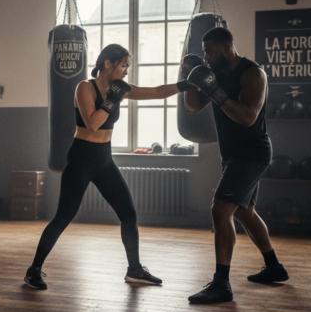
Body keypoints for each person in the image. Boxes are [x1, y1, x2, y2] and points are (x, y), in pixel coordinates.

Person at [24, 44, 195, 290]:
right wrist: (113, 99)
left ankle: (134, 270)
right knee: (63, 217)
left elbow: (156, 91)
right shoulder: (85, 87)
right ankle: (34, 270)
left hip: (104, 159)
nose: (126, 71)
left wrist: (186, 84)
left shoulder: (121, 89)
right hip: (81, 158)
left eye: (127, 66)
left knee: (128, 213)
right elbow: (92, 124)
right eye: (123, 65)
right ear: (108, 64)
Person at [183, 27, 288, 305]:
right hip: (232, 155)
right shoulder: (214, 73)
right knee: (244, 212)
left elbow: (248, 117)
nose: (206, 56)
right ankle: (273, 266)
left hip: (251, 153)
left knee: (220, 209)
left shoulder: (252, 73)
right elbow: (193, 106)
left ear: (226, 47)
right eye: (203, 51)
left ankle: (221, 284)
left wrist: (215, 90)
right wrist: (190, 78)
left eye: (210, 51)